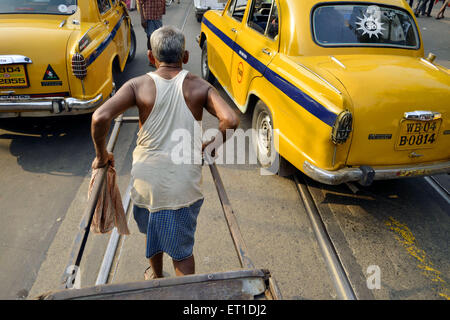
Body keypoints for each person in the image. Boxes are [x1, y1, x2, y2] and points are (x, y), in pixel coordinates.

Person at [91, 26, 240, 280]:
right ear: (185, 56)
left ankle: (156, 276)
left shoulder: (137, 85)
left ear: (151, 57)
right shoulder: (200, 87)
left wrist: (102, 155)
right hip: (184, 187)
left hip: (146, 184)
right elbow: (231, 120)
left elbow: (99, 117)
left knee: (153, 234)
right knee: (182, 253)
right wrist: (210, 147)